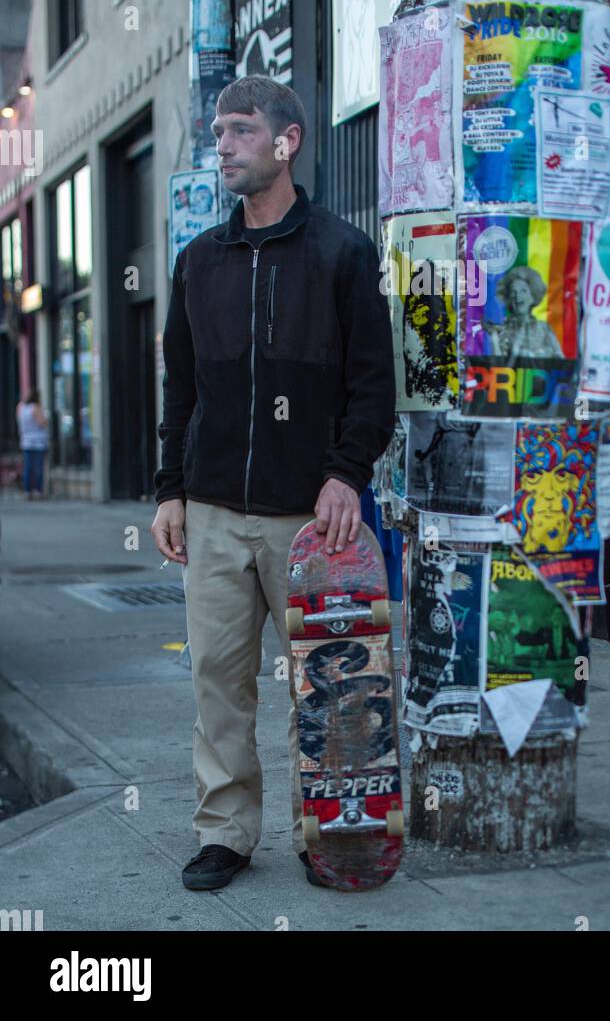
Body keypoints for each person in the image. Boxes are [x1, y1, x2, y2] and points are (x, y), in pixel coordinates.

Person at [150, 75, 396, 892]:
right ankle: (225, 833)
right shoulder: (198, 262)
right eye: (218, 131)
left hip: (310, 523)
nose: (221, 144)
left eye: (240, 130)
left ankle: (328, 836)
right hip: (216, 514)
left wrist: (344, 475)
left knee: (326, 688)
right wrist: (169, 489)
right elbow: (179, 389)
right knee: (216, 682)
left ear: (286, 142)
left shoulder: (341, 252)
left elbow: (371, 384)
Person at [16, 388, 49, 499]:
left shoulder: (21, 407)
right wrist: (46, 418)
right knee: (38, 467)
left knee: (28, 467)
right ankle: (38, 491)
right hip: (38, 441)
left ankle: (27, 491)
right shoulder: (35, 408)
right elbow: (42, 422)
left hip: (26, 440)